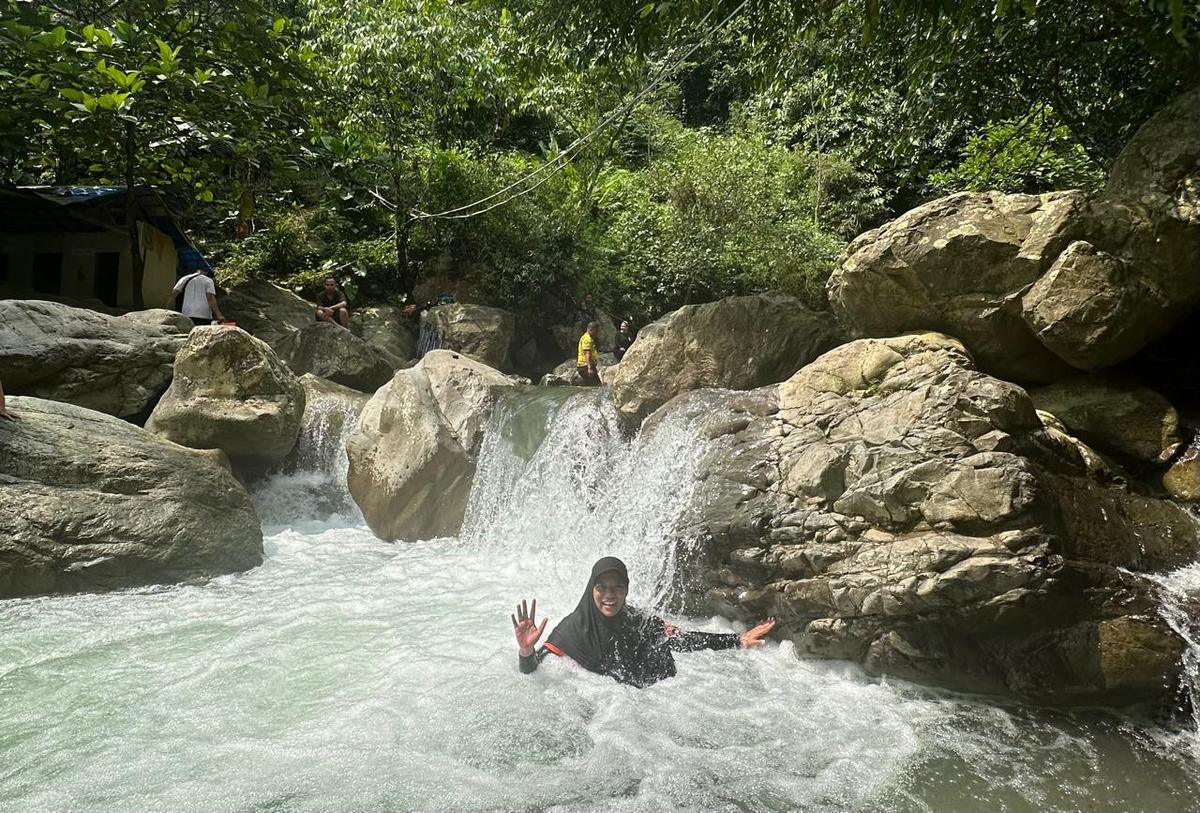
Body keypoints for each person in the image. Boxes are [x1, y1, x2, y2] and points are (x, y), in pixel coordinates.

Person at [513, 556, 775, 688]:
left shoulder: (640, 622)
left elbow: (682, 639)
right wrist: (526, 650)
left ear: (626, 590)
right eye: (601, 587)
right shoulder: (572, 629)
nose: (609, 595)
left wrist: (737, 641)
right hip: (598, 705)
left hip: (643, 705)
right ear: (590, 590)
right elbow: (535, 672)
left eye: (617, 587)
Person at [577, 321, 600, 386]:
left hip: (585, 366)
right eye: (596, 331)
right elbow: (587, 353)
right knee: (597, 387)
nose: (597, 333)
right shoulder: (587, 339)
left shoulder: (586, 337)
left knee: (591, 387)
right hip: (585, 366)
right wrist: (590, 368)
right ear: (592, 329)